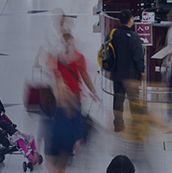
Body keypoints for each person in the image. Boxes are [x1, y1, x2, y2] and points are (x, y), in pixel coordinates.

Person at [46, 32, 98, 173]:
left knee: (76, 122)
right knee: (64, 123)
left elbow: (84, 75)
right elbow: (54, 75)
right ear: (63, 45)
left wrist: (93, 91)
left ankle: (72, 147)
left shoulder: (79, 57)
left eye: (72, 44)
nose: (70, 47)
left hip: (76, 97)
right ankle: (66, 150)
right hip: (62, 99)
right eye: (68, 44)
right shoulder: (58, 58)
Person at [109, 11, 146, 132]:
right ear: (130, 20)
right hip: (131, 75)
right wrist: (142, 71)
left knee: (118, 99)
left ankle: (118, 124)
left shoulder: (113, 34)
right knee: (134, 100)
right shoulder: (134, 36)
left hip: (117, 73)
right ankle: (136, 125)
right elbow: (138, 56)